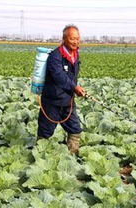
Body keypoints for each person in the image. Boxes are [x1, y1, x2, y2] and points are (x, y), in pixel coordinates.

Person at [37, 24, 85, 154]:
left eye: (77, 39)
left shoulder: (75, 54)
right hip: (52, 101)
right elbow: (59, 76)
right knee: (45, 132)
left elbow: (71, 76)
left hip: (68, 101)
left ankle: (73, 156)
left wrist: (75, 89)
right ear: (64, 38)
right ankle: (40, 157)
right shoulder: (55, 56)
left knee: (75, 129)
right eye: (72, 39)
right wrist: (75, 87)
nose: (75, 42)